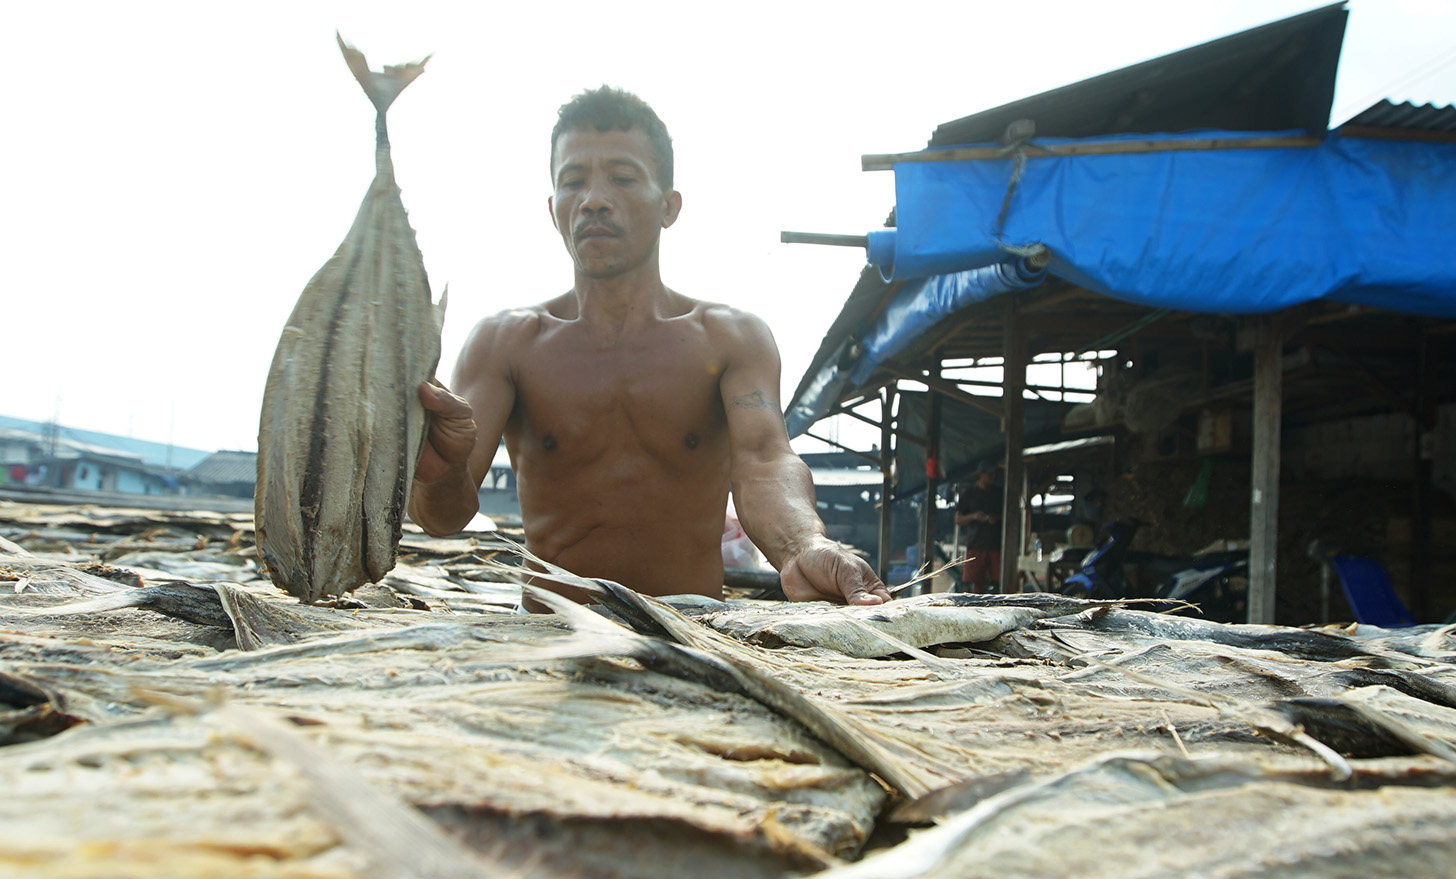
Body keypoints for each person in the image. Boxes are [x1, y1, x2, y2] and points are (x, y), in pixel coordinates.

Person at [407, 86, 890, 613]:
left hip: (691, 631)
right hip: (547, 639)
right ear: (553, 209)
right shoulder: (505, 343)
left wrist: (804, 545)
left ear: (669, 206)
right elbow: (442, 515)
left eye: (622, 176)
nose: (593, 198)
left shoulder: (731, 337)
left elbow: (765, 459)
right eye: (573, 181)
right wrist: (434, 469)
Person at [954, 460, 1004, 592]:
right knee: (977, 583)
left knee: (1001, 582)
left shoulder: (1000, 493)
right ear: (981, 474)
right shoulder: (969, 494)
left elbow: (1010, 515)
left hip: (996, 545)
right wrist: (974, 516)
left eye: (995, 475)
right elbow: (958, 519)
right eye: (990, 475)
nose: (993, 478)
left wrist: (996, 517)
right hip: (976, 545)